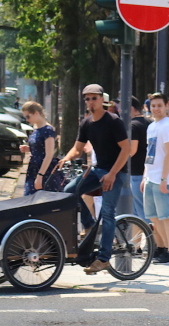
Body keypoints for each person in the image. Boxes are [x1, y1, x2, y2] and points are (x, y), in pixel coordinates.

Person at [53, 84, 130, 274]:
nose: (90, 102)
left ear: (102, 99)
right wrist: (66, 158)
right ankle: (88, 225)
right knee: (69, 192)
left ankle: (103, 258)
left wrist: (112, 174)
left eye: (93, 98)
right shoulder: (86, 123)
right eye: (87, 99)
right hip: (98, 170)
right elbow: (78, 148)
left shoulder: (113, 121)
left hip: (115, 171)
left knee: (107, 212)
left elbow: (126, 149)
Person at [143, 93, 169, 264]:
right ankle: (161, 247)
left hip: (163, 178)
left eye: (159, 105)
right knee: (153, 216)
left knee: (166, 216)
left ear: (167, 106)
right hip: (151, 177)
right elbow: (149, 154)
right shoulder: (152, 126)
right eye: (153, 106)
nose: (156, 109)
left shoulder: (167, 126)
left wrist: (164, 178)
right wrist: (145, 176)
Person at [18, 101, 66, 196]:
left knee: (41, 199)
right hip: (34, 168)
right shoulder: (36, 129)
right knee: (30, 199)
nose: (27, 120)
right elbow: (40, 147)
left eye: (28, 116)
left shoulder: (47, 130)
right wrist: (28, 148)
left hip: (45, 170)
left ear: (36, 113)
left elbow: (49, 155)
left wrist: (40, 175)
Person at [117, 96, 148, 216]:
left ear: (130, 108)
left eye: (121, 107)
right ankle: (137, 235)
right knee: (137, 213)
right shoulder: (149, 121)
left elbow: (131, 150)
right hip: (146, 172)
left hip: (136, 174)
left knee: (141, 212)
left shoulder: (133, 125)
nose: (119, 110)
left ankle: (151, 235)